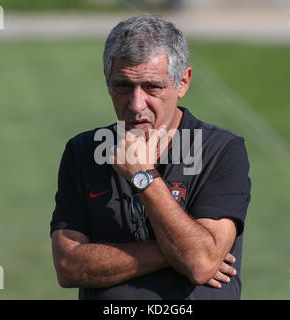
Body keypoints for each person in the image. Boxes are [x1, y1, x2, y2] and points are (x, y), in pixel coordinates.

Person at [50, 14, 251, 300]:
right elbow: (68, 266)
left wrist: (143, 175)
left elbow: (200, 265)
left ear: (183, 82)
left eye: (152, 87)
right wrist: (179, 250)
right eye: (123, 86)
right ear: (107, 81)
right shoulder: (83, 151)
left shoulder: (221, 150)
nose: (136, 104)